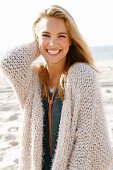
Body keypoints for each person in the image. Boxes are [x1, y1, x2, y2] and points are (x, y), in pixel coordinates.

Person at [0, 4, 113, 170]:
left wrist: (45, 40)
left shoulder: (82, 76)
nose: (53, 43)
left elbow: (84, 140)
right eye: (46, 35)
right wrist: (40, 44)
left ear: (71, 40)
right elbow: (9, 63)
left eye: (61, 36)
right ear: (37, 38)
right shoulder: (32, 80)